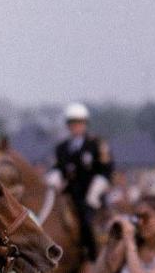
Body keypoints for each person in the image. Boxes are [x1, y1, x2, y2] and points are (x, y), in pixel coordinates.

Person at [46, 102, 113, 261]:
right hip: (69, 193)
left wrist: (94, 192)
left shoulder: (96, 144)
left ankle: (92, 256)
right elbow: (58, 169)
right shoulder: (62, 147)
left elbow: (106, 170)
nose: (75, 126)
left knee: (87, 222)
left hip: (91, 195)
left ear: (85, 124)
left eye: (79, 123)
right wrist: (52, 179)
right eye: (72, 123)